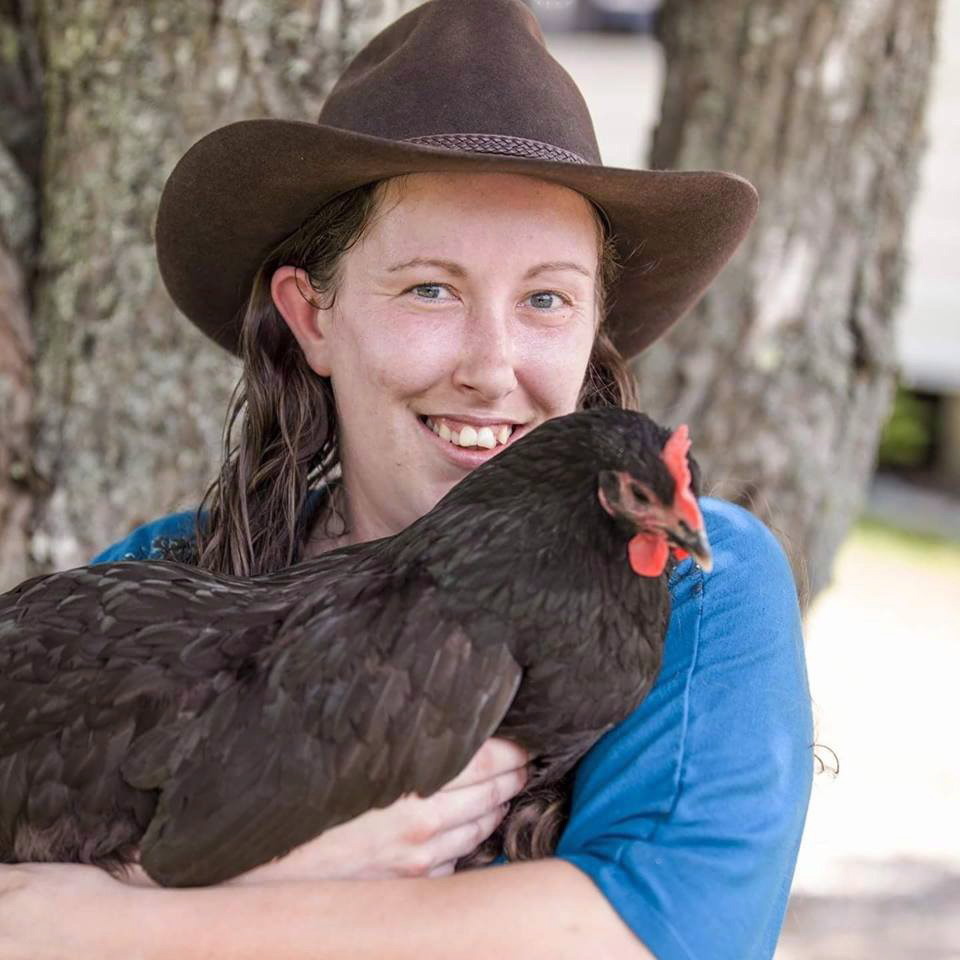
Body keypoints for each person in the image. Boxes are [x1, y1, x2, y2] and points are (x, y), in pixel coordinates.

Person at [0, 0, 813, 957]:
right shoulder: (157, 579)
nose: (491, 365)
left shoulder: (691, 584)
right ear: (312, 317)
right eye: (431, 287)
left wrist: (108, 915)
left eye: (547, 298)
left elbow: (656, 937)